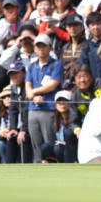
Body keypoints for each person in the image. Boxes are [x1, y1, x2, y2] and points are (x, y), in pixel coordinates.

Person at [25, 34, 63, 162]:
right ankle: (38, 165)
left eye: (44, 46)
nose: (41, 49)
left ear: (50, 48)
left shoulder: (56, 64)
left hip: (49, 108)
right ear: (34, 49)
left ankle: (50, 164)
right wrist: (33, 97)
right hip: (33, 109)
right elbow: (27, 84)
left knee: (49, 142)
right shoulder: (31, 66)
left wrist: (32, 93)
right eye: (38, 46)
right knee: (35, 143)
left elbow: (52, 85)